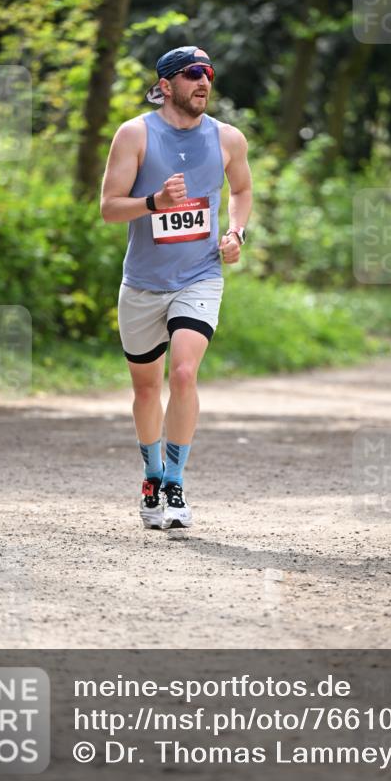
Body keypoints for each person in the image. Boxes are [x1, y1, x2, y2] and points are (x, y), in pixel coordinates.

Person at [100, 46, 252, 531]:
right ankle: (151, 475)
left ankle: (176, 482)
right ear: (166, 85)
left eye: (208, 72)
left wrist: (236, 233)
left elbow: (242, 191)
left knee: (184, 374)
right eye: (192, 74)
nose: (203, 81)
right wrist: (153, 202)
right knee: (147, 390)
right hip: (143, 283)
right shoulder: (135, 134)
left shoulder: (228, 138)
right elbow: (108, 207)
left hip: (199, 276)